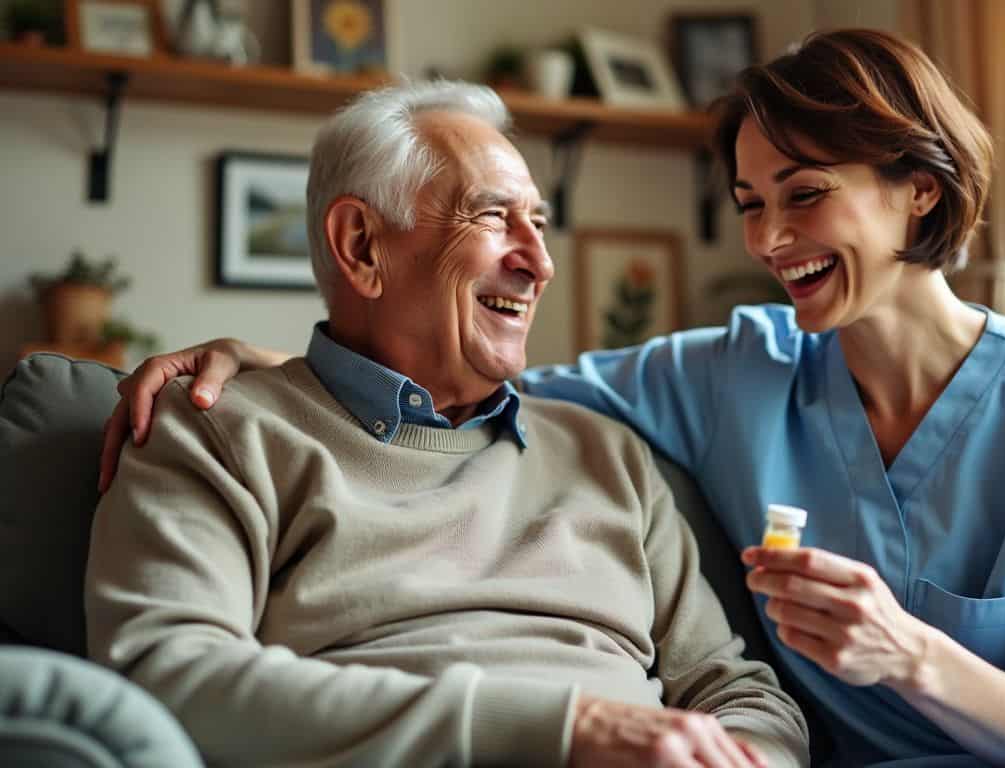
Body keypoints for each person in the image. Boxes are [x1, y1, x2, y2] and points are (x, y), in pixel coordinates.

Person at [100, 30, 1005, 768]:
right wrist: (266, 365)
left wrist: (882, 667)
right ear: (360, 246)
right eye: (749, 201)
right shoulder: (715, 373)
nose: (767, 238)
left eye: (802, 196)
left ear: (918, 197)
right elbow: (428, 393)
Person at [87, 80, 809, 768]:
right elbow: (168, 672)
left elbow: (736, 690)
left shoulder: (606, 452)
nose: (541, 262)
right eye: (495, 216)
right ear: (363, 245)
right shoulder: (221, 431)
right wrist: (565, 733)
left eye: (540, 222)